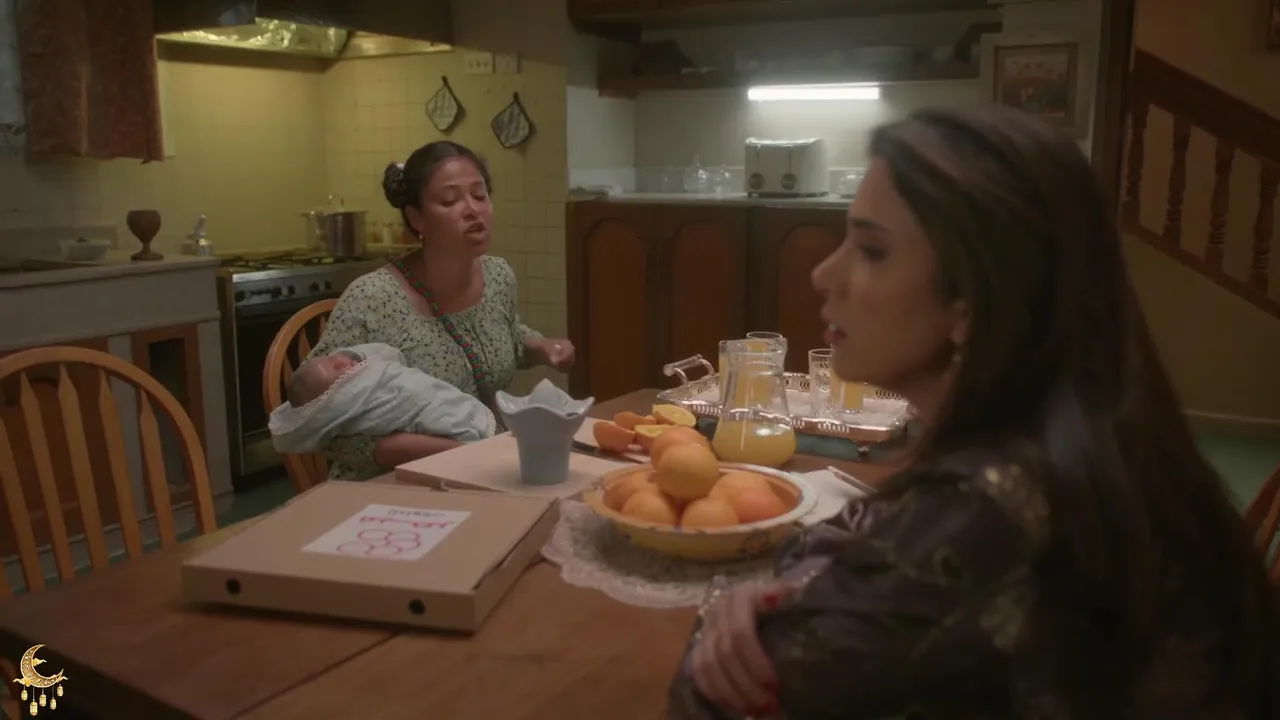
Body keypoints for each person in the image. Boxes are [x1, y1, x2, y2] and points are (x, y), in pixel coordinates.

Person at [667, 105, 1280, 718]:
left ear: (971, 301)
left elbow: (708, 697)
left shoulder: (985, 509)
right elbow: (857, 539)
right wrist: (797, 584)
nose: (823, 274)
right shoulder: (1104, 442)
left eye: (873, 250)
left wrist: (718, 614)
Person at [308, 141, 574, 480]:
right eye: (450, 201)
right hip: (391, 484)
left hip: (479, 469)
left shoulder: (497, 276)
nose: (472, 209)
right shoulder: (372, 300)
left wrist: (542, 347)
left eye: (480, 195)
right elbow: (320, 423)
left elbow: (506, 336)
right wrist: (453, 451)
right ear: (416, 217)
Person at [267, 343, 498, 455]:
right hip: (431, 453)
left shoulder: (360, 365)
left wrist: (354, 355)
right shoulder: (347, 402)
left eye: (330, 358)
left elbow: (388, 353)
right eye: (336, 370)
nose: (340, 360)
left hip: (472, 423)